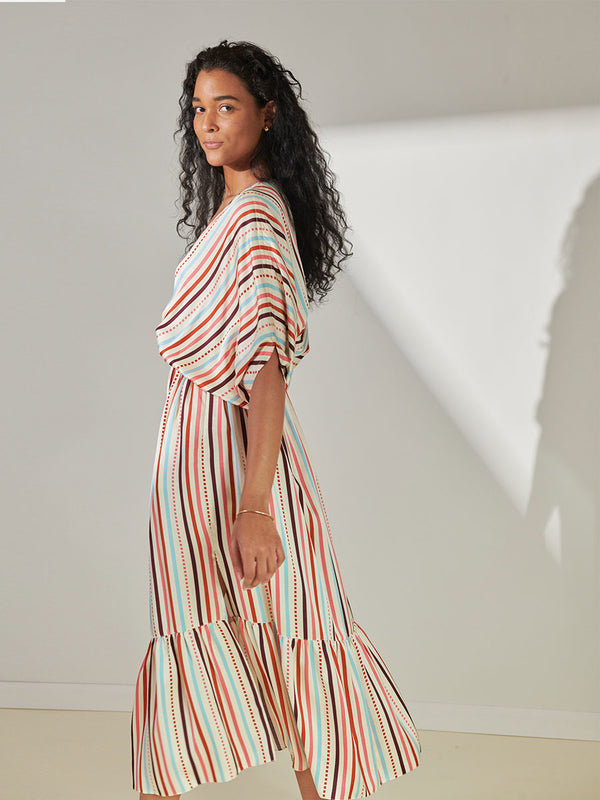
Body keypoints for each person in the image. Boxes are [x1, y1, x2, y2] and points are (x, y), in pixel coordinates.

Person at [130, 39, 421, 800]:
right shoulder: (231, 212)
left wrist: (256, 505)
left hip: (232, 464)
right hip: (194, 465)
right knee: (268, 638)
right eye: (198, 108)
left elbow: (266, 375)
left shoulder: (256, 219)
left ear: (267, 113)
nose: (207, 123)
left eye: (226, 106)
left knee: (292, 637)